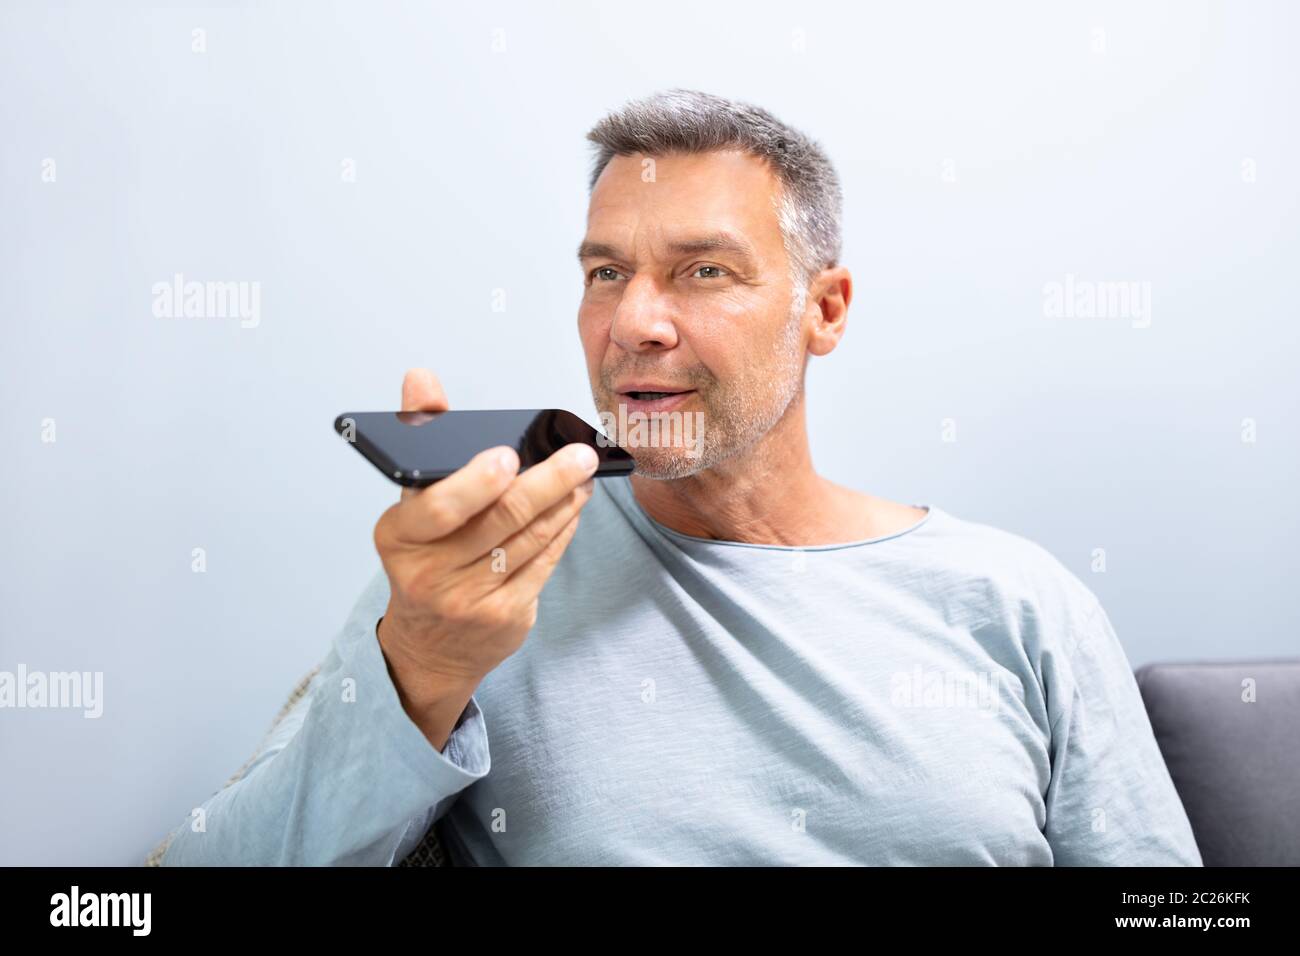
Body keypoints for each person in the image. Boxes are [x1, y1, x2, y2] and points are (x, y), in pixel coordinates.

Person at [158, 89, 1201, 866]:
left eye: (703, 271)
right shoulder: (481, 579)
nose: (632, 322)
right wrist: (420, 667)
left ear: (823, 310)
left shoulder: (1017, 601)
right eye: (606, 272)